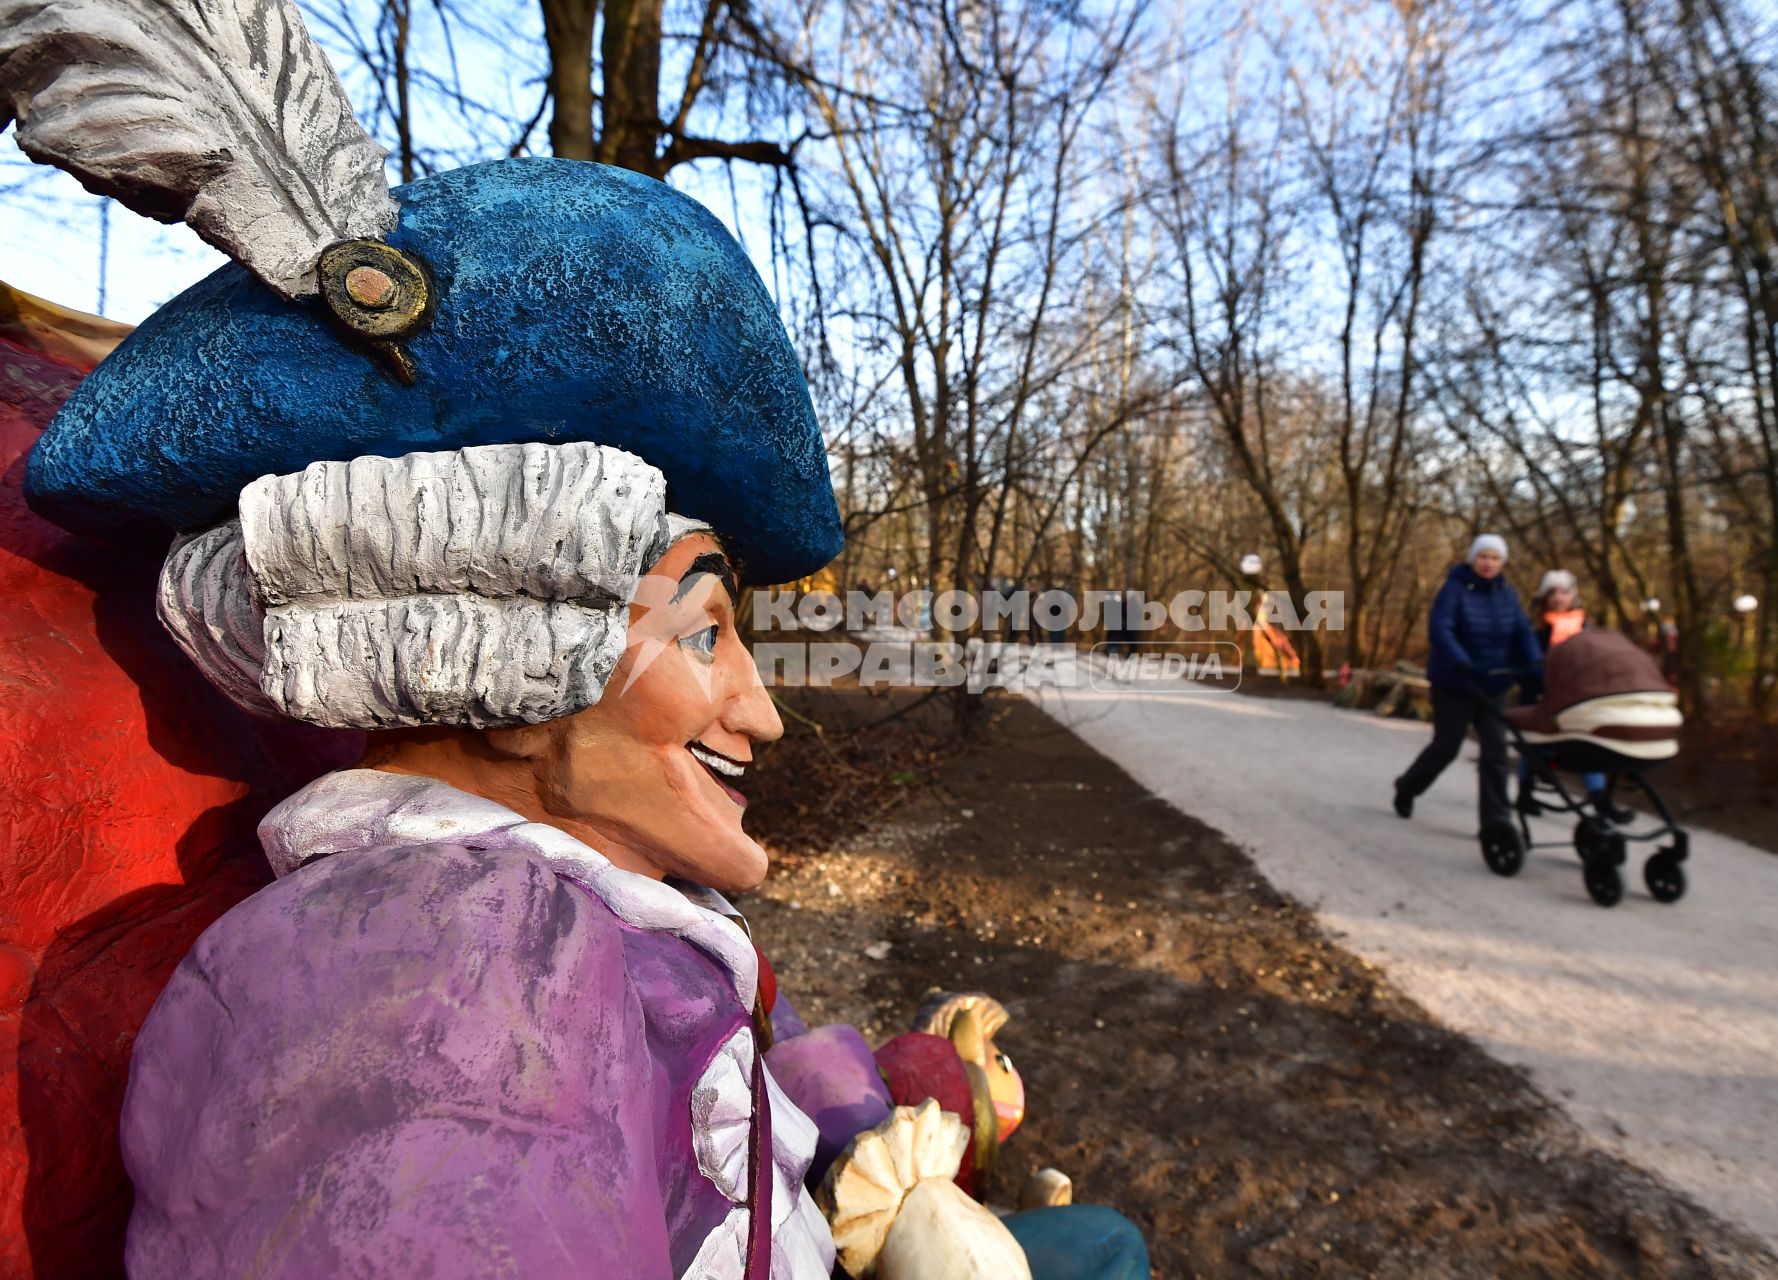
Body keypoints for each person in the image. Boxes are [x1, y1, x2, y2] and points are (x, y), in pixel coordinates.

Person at [6, 2, 1147, 1274]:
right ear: (505, 666)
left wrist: (899, 1095)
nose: (764, 711)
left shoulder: (588, 888)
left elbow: (732, 1056)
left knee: (1096, 1239)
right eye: (705, 632)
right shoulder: (444, 996)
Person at [1392, 534, 1542, 830]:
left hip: (1494, 684)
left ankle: (1495, 822)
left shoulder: (1507, 595)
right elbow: (1441, 628)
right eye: (1483, 557)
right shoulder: (1454, 589)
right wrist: (1461, 661)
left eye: (1495, 558)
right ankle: (1408, 786)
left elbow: (1523, 631)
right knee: (1447, 746)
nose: (1488, 563)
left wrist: (1536, 663)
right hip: (1456, 683)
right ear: (1473, 559)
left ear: (1502, 563)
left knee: (1495, 752)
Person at [1515, 570, 1632, 821]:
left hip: (1579, 699)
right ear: (1545, 597)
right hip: (1542, 699)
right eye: (1553, 593)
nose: (1558, 598)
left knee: (1590, 741)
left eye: (1564, 592)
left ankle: (1600, 800)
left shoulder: (1586, 630)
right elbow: (1527, 666)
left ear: (1573, 596)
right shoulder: (1534, 632)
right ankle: (1524, 792)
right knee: (1532, 741)